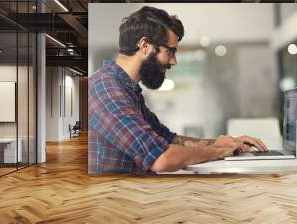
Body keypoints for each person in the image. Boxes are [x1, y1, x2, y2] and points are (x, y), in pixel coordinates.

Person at [88, 6, 267, 175]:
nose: (174, 61)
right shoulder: (105, 89)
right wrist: (217, 150)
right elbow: (161, 158)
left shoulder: (128, 90)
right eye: (170, 52)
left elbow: (168, 139)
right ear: (145, 45)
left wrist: (228, 143)